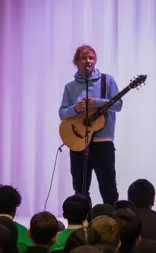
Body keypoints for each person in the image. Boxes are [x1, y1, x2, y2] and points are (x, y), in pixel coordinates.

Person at [59, 44, 123, 208]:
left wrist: (97, 102)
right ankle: (82, 225)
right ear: (76, 62)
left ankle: (111, 224)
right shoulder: (70, 87)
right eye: (83, 58)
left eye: (91, 58)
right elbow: (62, 113)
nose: (88, 61)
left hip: (103, 142)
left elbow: (118, 105)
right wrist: (75, 108)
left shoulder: (107, 81)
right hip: (78, 142)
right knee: (80, 189)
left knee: (108, 187)